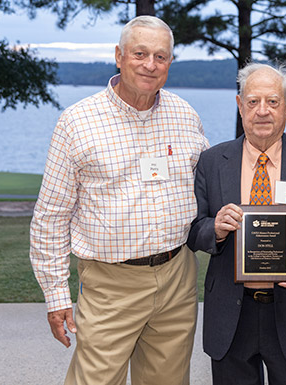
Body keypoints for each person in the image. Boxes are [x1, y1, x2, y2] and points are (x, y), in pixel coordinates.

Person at [29, 16, 209, 385]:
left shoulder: (185, 116)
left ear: (170, 63)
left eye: (161, 56)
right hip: (111, 283)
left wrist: (278, 155)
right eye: (140, 53)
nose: (150, 64)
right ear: (119, 56)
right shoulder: (77, 122)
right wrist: (56, 295)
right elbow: (50, 216)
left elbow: (213, 181)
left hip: (177, 275)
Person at [187, 63, 286, 385]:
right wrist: (217, 229)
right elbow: (194, 228)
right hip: (231, 314)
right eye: (253, 102)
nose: (262, 111)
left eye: (272, 101)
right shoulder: (212, 162)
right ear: (240, 105)